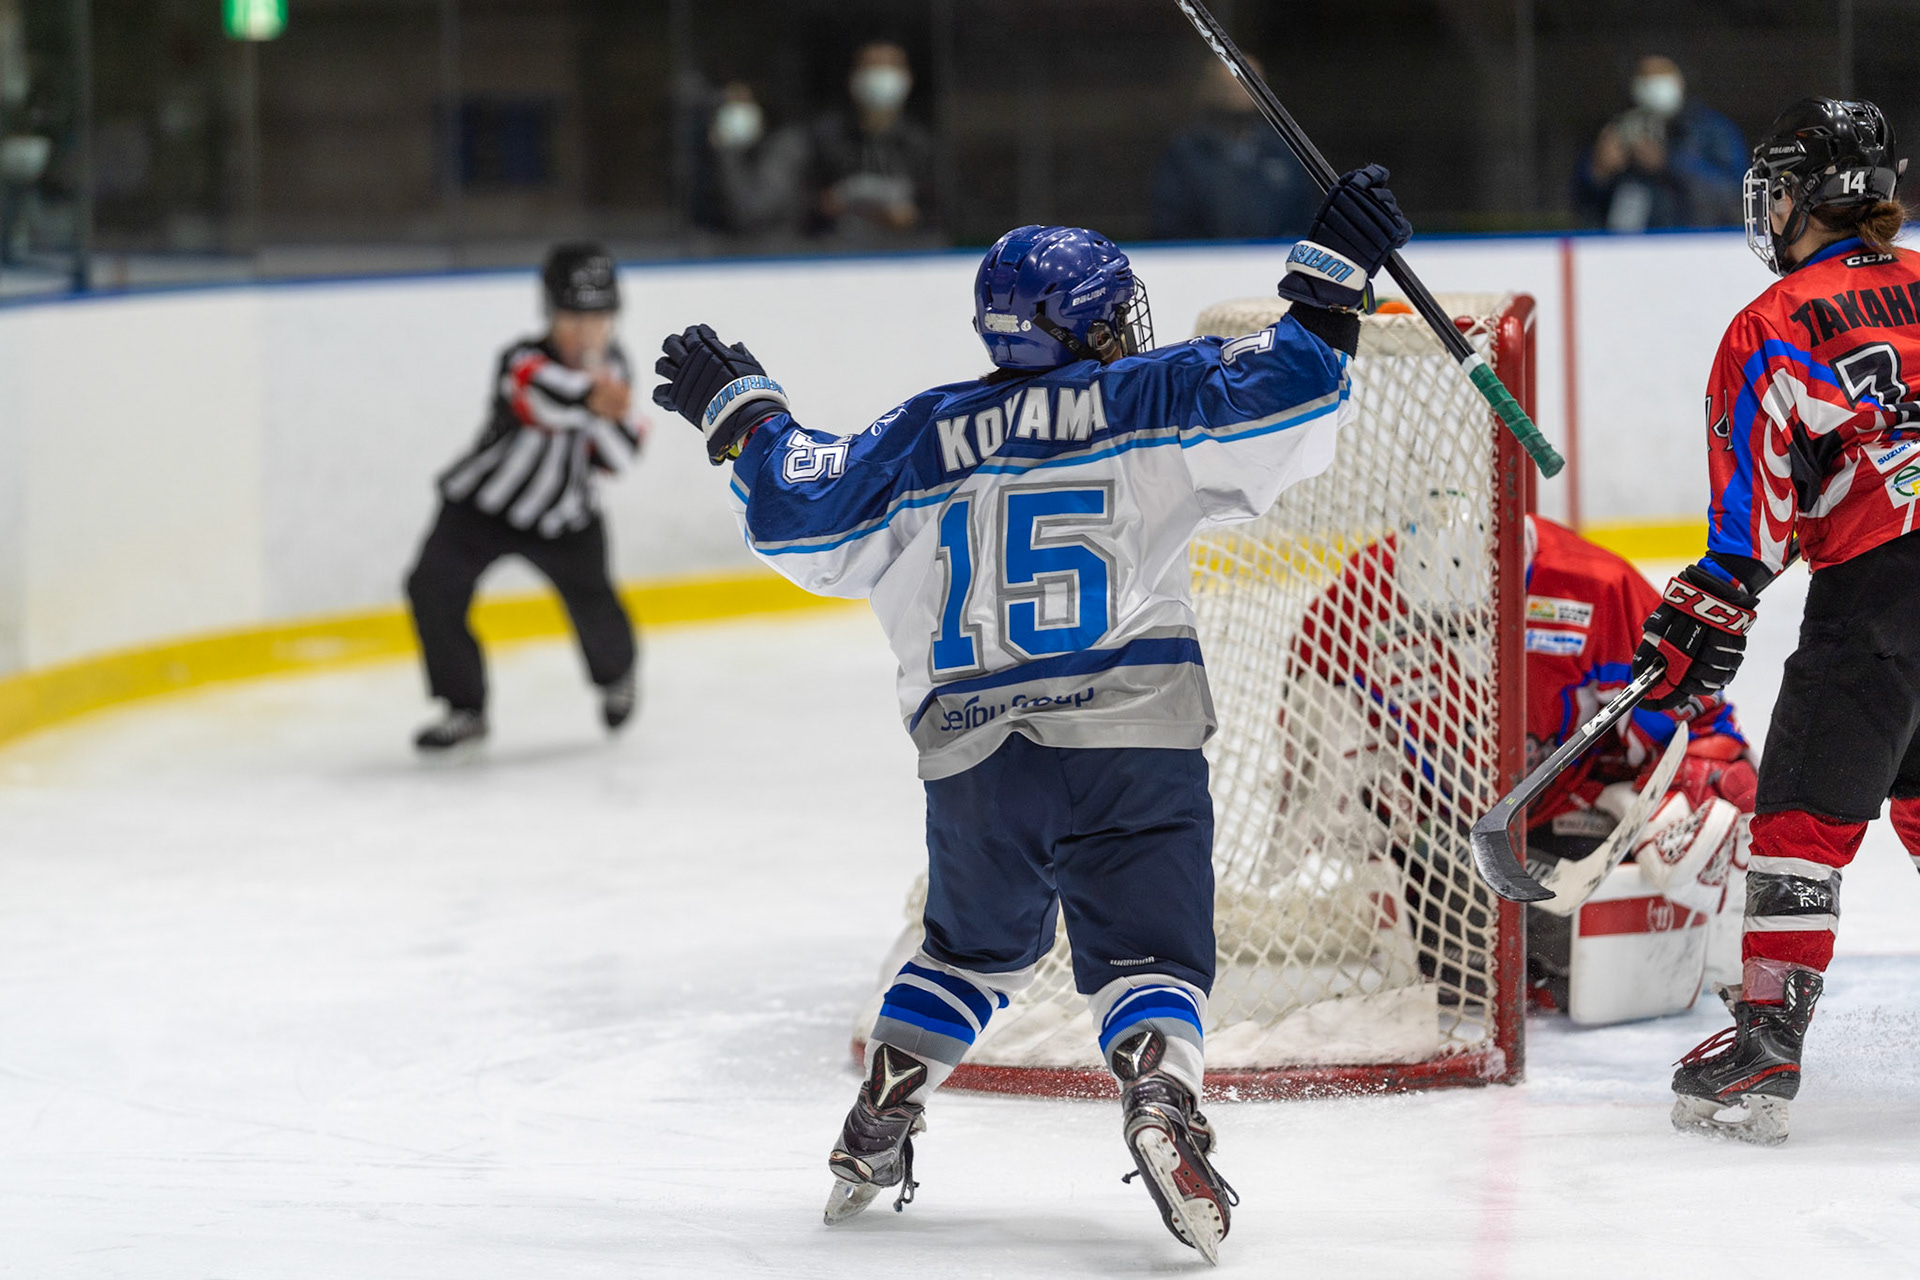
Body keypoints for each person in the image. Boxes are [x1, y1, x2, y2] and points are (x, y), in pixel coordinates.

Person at [651, 167, 1411, 1260]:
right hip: (1129, 734)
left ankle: (887, 1106)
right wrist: (1332, 280)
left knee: (966, 951)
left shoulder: (920, 433)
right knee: (1148, 957)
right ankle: (1159, 1099)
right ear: (1090, 325)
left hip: (974, 761)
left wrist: (745, 415)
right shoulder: (1147, 392)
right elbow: (1288, 390)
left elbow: (800, 515)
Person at [1630, 97, 1915, 1144]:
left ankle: (1766, 1045)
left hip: (1879, 599)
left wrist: (1705, 610)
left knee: (1799, 816)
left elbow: (1755, 522)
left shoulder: (1775, 322)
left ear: (1804, 197)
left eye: (1781, 189)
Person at [404, 243, 646, 752]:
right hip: (481, 509)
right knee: (432, 588)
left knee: (596, 603)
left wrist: (602, 411)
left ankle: (616, 676)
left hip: (566, 516)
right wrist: (592, 400)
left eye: (598, 319)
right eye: (572, 318)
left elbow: (621, 457)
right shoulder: (522, 360)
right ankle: (464, 706)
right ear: (550, 315)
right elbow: (539, 399)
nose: (585, 332)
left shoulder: (618, 370)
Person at [1517, 514, 1754, 1020]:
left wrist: (1669, 805)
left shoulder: (1594, 588)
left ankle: (1729, 937)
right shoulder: (1370, 587)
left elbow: (1701, 732)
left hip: (1562, 806)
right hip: (1439, 826)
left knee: (1717, 788)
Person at [1151, 58, 1316, 242]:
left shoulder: (1282, 149)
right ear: (1210, 89)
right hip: (1204, 256)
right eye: (1229, 85)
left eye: (1249, 83)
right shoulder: (1187, 151)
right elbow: (1170, 222)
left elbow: (1305, 217)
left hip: (1275, 256)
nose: (1238, 92)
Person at [1575, 56, 1747, 232]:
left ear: (1679, 81)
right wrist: (1598, 170)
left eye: (1661, 75)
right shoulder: (1621, 127)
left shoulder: (1712, 130)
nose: (1654, 86)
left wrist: (1668, 162)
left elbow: (1734, 194)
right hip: (1632, 242)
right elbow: (1584, 205)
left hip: (1698, 240)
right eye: (1646, 78)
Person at [808, 41, 936, 244]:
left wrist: (911, 217)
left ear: (908, 76)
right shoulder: (823, 138)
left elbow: (940, 213)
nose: (881, 75)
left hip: (911, 252)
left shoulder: (922, 143)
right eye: (872, 66)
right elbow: (802, 205)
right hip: (834, 250)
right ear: (853, 77)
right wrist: (824, 205)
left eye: (890, 66)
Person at [692, 81, 811, 243]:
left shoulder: (786, 147)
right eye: (729, 107)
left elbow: (751, 212)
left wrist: (728, 153)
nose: (736, 113)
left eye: (742, 103)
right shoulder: (707, 152)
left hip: (774, 249)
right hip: (725, 248)